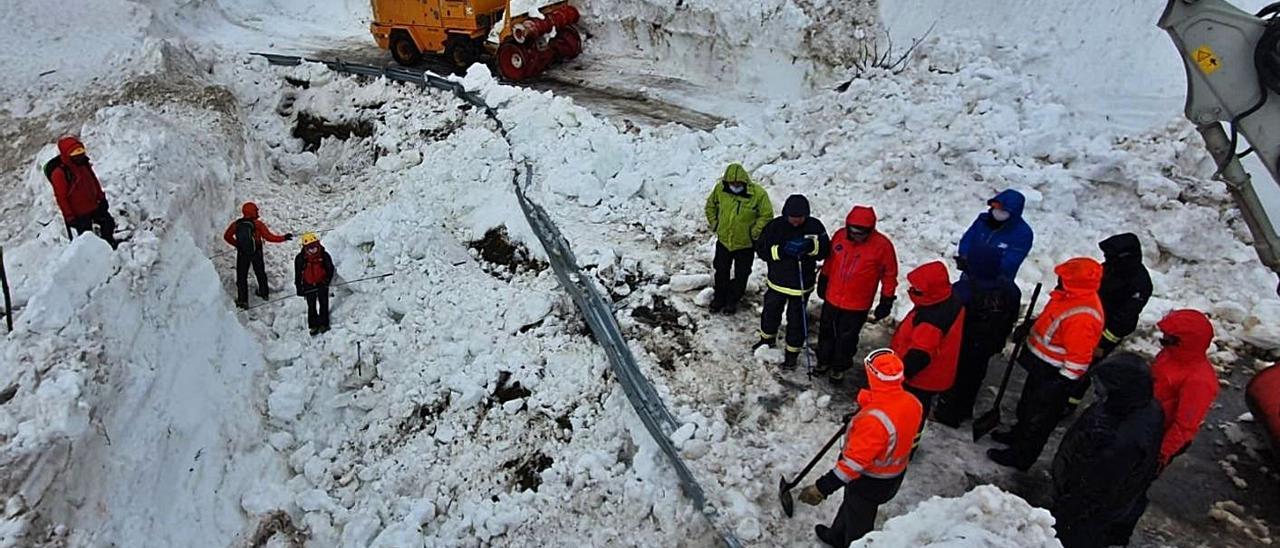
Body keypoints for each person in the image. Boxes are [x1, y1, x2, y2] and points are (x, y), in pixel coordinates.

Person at [1106, 309, 1219, 544]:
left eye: (1169, 338)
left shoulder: (1200, 380)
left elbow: (1185, 426)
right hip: (1143, 425)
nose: (1163, 342)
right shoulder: (1170, 355)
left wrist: (1160, 455)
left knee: (1134, 489)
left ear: (1184, 342)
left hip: (1158, 440)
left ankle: (1117, 533)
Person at [797, 349, 923, 547]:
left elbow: (852, 465)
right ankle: (836, 536)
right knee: (851, 506)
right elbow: (895, 420)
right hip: (894, 475)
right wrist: (864, 410)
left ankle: (853, 543)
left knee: (859, 525)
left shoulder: (874, 421)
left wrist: (822, 488)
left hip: (870, 481)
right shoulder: (913, 402)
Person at [989, 257, 1104, 471]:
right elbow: (1050, 321)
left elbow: (1079, 359)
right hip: (1041, 367)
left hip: (1055, 375)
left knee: (1039, 419)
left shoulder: (1084, 315)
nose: (1058, 279)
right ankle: (1017, 435)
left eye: (1064, 277)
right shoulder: (1066, 298)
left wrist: (1060, 383)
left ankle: (1022, 456)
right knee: (1027, 408)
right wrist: (1031, 326)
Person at [1050, 352, 1164, 548]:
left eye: (1101, 385)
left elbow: (1098, 488)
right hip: (1091, 500)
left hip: (1084, 510)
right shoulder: (1134, 406)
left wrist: (1069, 501)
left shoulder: (1123, 439)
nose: (1096, 390)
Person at [1062, 233, 1153, 418]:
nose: (1106, 259)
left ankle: (1069, 403)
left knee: (1085, 368)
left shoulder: (1139, 283)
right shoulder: (1111, 268)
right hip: (1090, 321)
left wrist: (1103, 343)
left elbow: (1125, 319)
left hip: (1106, 331)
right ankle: (1060, 395)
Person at [933, 244, 1022, 427]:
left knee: (956, 377)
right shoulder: (1010, 289)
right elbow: (1012, 315)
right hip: (990, 342)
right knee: (976, 374)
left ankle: (948, 413)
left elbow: (947, 316)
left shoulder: (963, 290)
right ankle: (965, 407)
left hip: (963, 343)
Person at [815, 205, 898, 383]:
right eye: (852, 231)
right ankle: (822, 360)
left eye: (860, 233)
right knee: (826, 331)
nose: (855, 236)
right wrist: (824, 278)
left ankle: (839, 367)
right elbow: (830, 260)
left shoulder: (883, 246)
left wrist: (887, 299)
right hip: (832, 297)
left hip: (857, 304)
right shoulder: (839, 236)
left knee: (847, 338)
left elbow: (889, 275)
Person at [889, 261, 965, 448]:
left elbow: (920, 355)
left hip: (921, 379)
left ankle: (904, 447)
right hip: (936, 373)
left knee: (911, 413)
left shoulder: (932, 320)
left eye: (917, 290)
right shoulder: (948, 300)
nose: (912, 291)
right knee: (918, 411)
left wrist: (900, 375)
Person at [754, 195, 831, 368]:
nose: (796, 222)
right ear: (785, 214)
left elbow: (825, 250)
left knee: (796, 321)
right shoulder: (775, 226)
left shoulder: (815, 226)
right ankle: (766, 341)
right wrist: (782, 251)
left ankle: (792, 354)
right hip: (777, 283)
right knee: (770, 313)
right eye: (793, 218)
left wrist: (810, 247)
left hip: (801, 286)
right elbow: (762, 251)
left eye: (800, 218)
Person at [704, 163, 773, 314]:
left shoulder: (758, 194)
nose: (735, 186)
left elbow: (766, 215)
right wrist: (715, 223)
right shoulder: (720, 190)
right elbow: (710, 206)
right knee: (721, 270)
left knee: (742, 274)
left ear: (744, 181)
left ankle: (732, 299)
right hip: (724, 241)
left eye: (738, 183)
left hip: (745, 244)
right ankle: (719, 297)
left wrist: (754, 232)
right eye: (732, 183)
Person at [46, 136, 118, 248]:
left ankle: (109, 244)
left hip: (94, 205)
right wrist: (69, 216)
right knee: (87, 237)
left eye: (81, 151)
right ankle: (93, 255)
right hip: (79, 213)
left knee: (108, 223)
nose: (79, 154)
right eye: (75, 153)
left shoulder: (83, 163)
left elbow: (93, 180)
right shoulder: (59, 173)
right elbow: (61, 197)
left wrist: (101, 197)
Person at [224, 201, 293, 308]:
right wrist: (284, 237)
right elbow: (270, 237)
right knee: (260, 272)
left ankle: (243, 301)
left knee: (242, 276)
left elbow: (227, 236)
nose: (257, 211)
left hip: (242, 253)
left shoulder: (236, 224)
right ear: (252, 212)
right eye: (256, 210)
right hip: (256, 251)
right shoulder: (257, 224)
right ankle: (264, 293)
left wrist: (238, 245)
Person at [956, 189, 1033, 281]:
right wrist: (964, 256)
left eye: (1002, 209)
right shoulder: (983, 220)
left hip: (996, 282)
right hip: (969, 275)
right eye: (996, 208)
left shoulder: (1023, 234)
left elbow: (1012, 261)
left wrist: (981, 266)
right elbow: (967, 240)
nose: (997, 211)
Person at [294, 232, 336, 335]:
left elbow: (330, 269)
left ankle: (324, 323)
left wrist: (326, 282)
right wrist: (299, 288)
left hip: (322, 283)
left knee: (323, 303)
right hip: (308, 285)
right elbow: (298, 274)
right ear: (305, 247)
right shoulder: (300, 258)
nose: (313, 249)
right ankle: (313, 325)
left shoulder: (324, 255)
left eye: (314, 247)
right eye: (309, 248)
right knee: (311, 305)